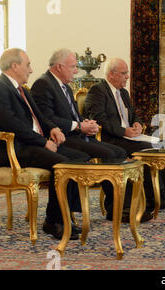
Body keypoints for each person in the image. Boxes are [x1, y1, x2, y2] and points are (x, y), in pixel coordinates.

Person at [30, 49, 152, 223]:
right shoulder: (44, 84)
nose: (76, 71)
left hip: (77, 136)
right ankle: (118, 209)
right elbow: (47, 118)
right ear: (59, 67)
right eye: (73, 67)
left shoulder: (62, 84)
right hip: (64, 139)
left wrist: (86, 124)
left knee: (118, 152)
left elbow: (73, 116)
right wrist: (79, 126)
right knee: (110, 154)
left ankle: (121, 206)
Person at [0, 48, 90, 240]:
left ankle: (66, 213)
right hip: (13, 150)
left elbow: (39, 116)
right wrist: (43, 142)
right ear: (14, 66)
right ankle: (54, 220)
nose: (31, 70)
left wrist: (53, 129)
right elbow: (11, 124)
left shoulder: (21, 89)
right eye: (28, 65)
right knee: (64, 164)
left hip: (31, 145)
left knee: (79, 158)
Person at [83, 57, 165, 213]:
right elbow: (99, 119)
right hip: (112, 139)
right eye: (124, 73)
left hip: (129, 137)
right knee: (149, 149)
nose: (127, 76)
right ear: (111, 74)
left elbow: (133, 115)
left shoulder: (124, 93)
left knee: (159, 145)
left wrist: (138, 124)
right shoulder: (98, 91)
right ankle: (153, 198)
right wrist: (123, 131)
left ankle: (164, 194)